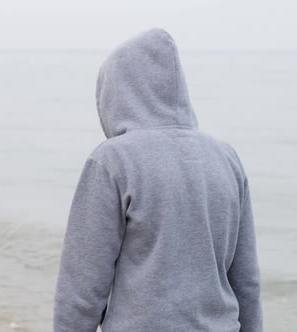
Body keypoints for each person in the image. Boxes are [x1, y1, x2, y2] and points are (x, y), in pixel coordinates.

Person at [53, 29, 262, 331]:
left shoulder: (113, 160)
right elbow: (247, 282)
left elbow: (82, 290)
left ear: (114, 93)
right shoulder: (226, 158)